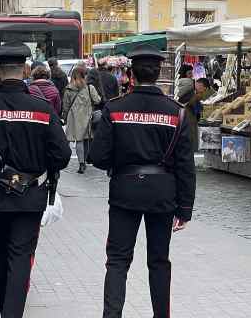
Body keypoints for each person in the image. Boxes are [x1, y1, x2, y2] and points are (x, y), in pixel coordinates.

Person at [0, 43, 71, 317]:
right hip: (30, 196)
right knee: (20, 259)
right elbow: (62, 155)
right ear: (25, 69)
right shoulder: (43, 109)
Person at [88, 44, 196, 318]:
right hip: (163, 194)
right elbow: (185, 165)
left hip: (125, 191)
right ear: (159, 73)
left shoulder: (115, 109)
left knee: (117, 260)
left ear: (131, 75)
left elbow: (97, 157)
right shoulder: (177, 112)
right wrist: (185, 209)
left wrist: (121, 161)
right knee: (159, 261)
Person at [62, 66, 102, 174]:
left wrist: (65, 118)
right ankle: (84, 161)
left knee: (78, 140)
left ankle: (81, 163)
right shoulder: (89, 88)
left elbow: (65, 106)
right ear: (84, 75)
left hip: (73, 118)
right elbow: (97, 100)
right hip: (87, 117)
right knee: (85, 140)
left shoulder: (69, 89)